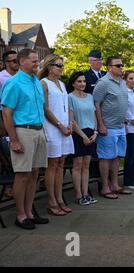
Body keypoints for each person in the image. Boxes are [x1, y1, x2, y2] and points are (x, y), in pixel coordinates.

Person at [1, 48, 49, 229]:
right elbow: (6, 113)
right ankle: (20, 215)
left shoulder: (35, 81)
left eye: (38, 60)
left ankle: (29, 212)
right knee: (22, 175)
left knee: (34, 174)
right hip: (23, 132)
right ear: (22, 62)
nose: (37, 63)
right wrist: (14, 140)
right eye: (34, 61)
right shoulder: (14, 83)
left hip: (38, 130)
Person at [39, 54, 75, 216]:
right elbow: (46, 109)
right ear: (49, 67)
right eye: (59, 65)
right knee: (52, 164)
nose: (62, 68)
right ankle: (51, 201)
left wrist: (69, 124)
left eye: (62, 65)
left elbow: (66, 106)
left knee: (61, 163)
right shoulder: (43, 83)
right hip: (53, 127)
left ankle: (60, 198)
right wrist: (60, 125)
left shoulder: (61, 83)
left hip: (65, 128)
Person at [93, 56, 131, 199]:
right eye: (118, 65)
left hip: (120, 126)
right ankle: (105, 187)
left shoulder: (122, 82)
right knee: (105, 157)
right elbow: (96, 104)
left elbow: (123, 104)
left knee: (116, 157)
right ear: (109, 68)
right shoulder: (103, 83)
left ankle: (115, 185)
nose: (121, 67)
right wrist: (101, 125)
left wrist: (125, 123)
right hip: (107, 127)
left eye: (122, 65)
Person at [68, 71, 99, 206]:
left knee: (86, 165)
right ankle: (79, 195)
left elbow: (94, 115)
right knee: (77, 165)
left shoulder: (89, 97)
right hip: (78, 133)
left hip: (90, 132)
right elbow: (71, 120)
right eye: (79, 81)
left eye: (84, 81)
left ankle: (86, 194)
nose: (82, 84)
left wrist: (95, 132)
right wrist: (83, 136)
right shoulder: (70, 97)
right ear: (73, 83)